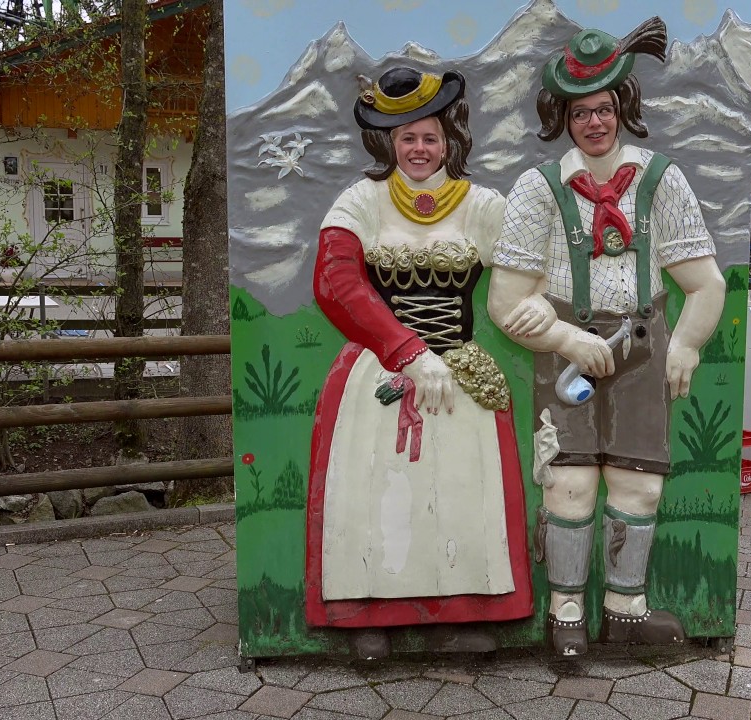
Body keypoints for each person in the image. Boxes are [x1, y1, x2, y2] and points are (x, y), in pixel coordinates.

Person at [488, 18, 726, 656]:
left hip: (644, 346)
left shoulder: (661, 182)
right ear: (562, 118)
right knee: (569, 482)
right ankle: (565, 613)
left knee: (638, 480)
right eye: (579, 112)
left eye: (603, 109)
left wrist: (687, 345)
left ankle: (625, 608)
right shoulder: (538, 190)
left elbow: (705, 285)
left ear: (622, 108)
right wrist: (565, 338)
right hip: (567, 355)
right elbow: (505, 302)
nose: (594, 123)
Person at [307, 66, 533, 660]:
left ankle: (461, 610)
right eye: (407, 138)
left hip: (458, 367)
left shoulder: (483, 205)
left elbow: (523, 274)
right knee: (380, 489)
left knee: (461, 487)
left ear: (449, 141)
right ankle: (368, 614)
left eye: (429, 137)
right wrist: (406, 351)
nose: (419, 148)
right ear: (389, 144)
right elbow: (335, 281)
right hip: (380, 371)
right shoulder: (361, 200)